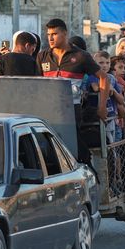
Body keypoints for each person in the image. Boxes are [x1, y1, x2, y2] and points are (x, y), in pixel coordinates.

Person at [38, 18, 102, 163]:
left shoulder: (81, 56)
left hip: (71, 110)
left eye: (54, 34)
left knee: (71, 148)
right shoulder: (43, 56)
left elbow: (104, 78)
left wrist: (102, 107)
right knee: (49, 149)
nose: (51, 38)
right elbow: (36, 84)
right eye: (48, 34)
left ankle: (86, 169)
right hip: (47, 110)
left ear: (65, 33)